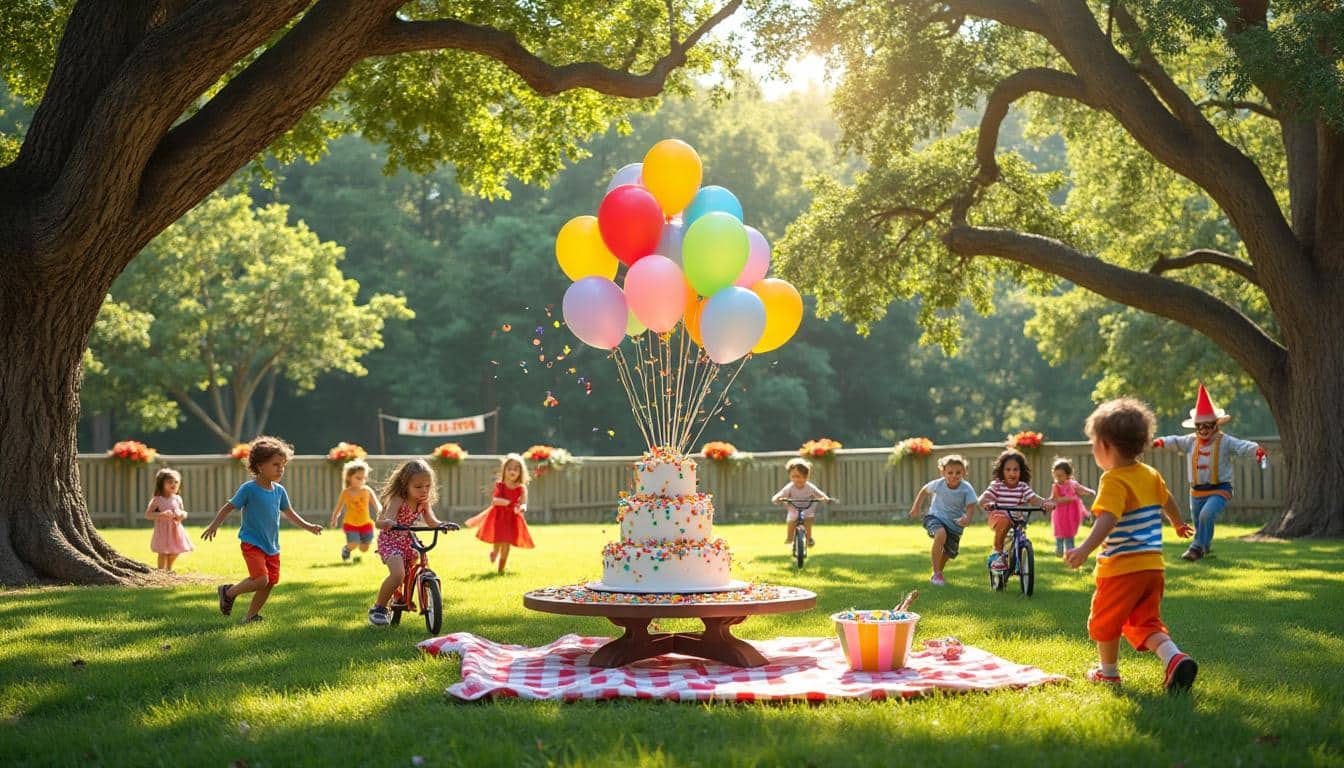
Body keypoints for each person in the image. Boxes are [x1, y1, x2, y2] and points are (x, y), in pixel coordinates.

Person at [1065, 397, 1198, 693]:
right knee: (1145, 622)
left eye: (1093, 442)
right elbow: (1168, 500)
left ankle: (1108, 672)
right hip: (1152, 567)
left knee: (1106, 619)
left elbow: (1108, 518)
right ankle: (1175, 658)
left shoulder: (1113, 479)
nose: (1092, 448)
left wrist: (1085, 548)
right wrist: (1176, 523)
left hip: (1121, 569)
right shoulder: (1150, 474)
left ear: (1106, 446)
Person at [202, 435, 322, 623]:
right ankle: (229, 592)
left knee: (270, 582)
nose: (280, 469)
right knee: (261, 580)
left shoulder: (279, 491)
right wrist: (214, 525)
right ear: (260, 466)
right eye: (275, 465)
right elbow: (229, 507)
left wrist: (309, 526)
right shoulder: (249, 489)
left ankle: (250, 616)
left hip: (272, 545)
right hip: (252, 542)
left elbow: (289, 512)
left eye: (283, 465)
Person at [1154, 382, 1268, 561]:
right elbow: (1175, 440)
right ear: (1196, 427)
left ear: (1216, 425)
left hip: (1220, 488)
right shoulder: (1191, 441)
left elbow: (1241, 446)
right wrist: (1161, 441)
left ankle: (1196, 548)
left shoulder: (1225, 441)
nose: (1204, 430)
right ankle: (1204, 546)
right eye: (1200, 426)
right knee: (1200, 521)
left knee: (1207, 514)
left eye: (1208, 425)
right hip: (1197, 491)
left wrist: (1256, 450)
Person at [369, 459, 452, 626]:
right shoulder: (398, 499)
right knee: (398, 574)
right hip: (390, 540)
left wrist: (442, 525)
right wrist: (388, 523)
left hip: (407, 540)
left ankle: (403, 595)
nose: (424, 490)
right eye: (418, 486)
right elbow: (387, 519)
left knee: (417, 561)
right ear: (405, 485)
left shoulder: (423, 502)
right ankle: (379, 608)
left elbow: (431, 521)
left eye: (428, 486)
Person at [979, 449, 1054, 573]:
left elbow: (1034, 499)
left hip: (1016, 520)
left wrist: (1046, 503)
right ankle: (997, 553)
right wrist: (987, 503)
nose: (1011, 473)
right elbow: (982, 498)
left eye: (1015, 469)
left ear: (1021, 471)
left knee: (1020, 529)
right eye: (1008, 470)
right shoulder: (997, 485)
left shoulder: (1022, 487)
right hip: (998, 518)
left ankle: (1017, 556)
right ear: (1002, 471)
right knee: (1004, 521)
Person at [908, 454, 978, 586]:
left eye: (958, 472)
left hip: (955, 525)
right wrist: (916, 507)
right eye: (950, 472)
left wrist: (967, 519)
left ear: (964, 472)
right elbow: (924, 490)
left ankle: (938, 572)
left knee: (949, 553)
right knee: (940, 534)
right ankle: (937, 573)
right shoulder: (938, 484)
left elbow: (971, 505)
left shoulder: (966, 488)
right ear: (943, 472)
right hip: (935, 517)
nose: (954, 475)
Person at [467, 453, 535, 574]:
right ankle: (495, 552)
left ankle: (501, 568)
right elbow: (495, 501)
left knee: (507, 542)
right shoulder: (501, 485)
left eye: (515, 469)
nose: (512, 471)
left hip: (512, 518)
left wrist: (522, 508)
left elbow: (524, 503)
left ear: (521, 472)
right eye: (509, 469)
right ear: (504, 471)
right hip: (499, 516)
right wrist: (509, 503)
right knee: (498, 539)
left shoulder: (521, 488)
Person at [772, 457, 831, 548]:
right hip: (793, 508)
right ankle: (789, 538)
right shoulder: (790, 487)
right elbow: (782, 493)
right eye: (793, 477)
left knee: (808, 521)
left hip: (807, 508)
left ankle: (809, 538)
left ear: (806, 476)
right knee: (791, 522)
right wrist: (776, 498)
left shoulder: (809, 487)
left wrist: (825, 498)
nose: (796, 479)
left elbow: (818, 493)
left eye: (799, 476)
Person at [329, 459, 381, 562]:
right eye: (358, 478)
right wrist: (334, 519)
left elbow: (377, 504)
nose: (361, 481)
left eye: (364, 478)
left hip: (366, 524)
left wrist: (381, 513)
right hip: (351, 524)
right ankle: (346, 549)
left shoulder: (367, 490)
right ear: (349, 477)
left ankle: (359, 547)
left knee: (364, 549)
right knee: (354, 543)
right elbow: (338, 507)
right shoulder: (346, 492)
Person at [146, 467, 192, 571]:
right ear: (161, 483)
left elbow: (183, 512)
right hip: (162, 530)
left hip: (175, 530)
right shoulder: (157, 500)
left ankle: (169, 568)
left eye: (176, 482)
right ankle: (161, 571)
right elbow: (148, 514)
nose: (174, 484)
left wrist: (182, 515)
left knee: (176, 551)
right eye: (170, 482)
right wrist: (162, 514)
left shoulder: (177, 498)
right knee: (162, 552)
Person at [1049, 458, 1096, 556]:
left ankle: (1070, 552)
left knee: (1070, 533)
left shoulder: (1072, 484)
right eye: (1056, 476)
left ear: (1067, 475)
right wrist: (1070, 498)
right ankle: (1059, 550)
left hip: (1071, 514)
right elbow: (1056, 499)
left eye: (1060, 476)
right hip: (1060, 514)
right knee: (1060, 532)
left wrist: (1090, 492)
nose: (1058, 478)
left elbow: (1081, 489)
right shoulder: (1056, 486)